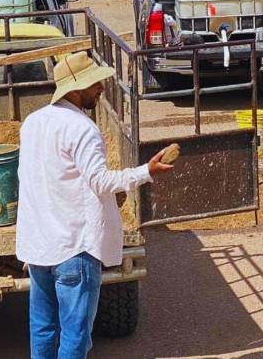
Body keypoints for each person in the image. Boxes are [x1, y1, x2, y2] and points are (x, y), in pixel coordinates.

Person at [17, 51, 175, 359]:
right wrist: (147, 171)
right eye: (93, 86)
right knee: (75, 335)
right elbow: (101, 182)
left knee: (42, 328)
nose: (100, 89)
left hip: (38, 246)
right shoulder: (83, 129)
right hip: (74, 247)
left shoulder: (32, 123)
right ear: (74, 90)